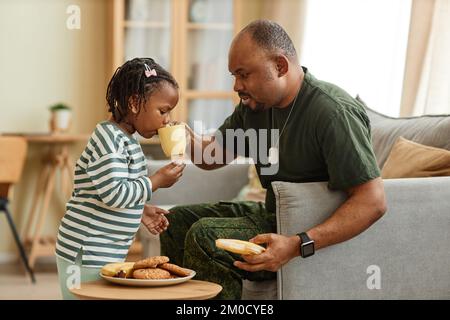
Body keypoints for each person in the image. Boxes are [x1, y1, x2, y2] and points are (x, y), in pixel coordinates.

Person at [160, 20, 387, 299]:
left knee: (205, 236)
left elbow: (373, 202)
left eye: (243, 74)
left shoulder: (332, 113)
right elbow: (212, 156)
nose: (236, 86)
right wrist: (182, 134)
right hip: (272, 215)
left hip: (303, 230)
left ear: (280, 66)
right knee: (175, 221)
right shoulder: (255, 107)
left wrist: (296, 244)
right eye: (234, 75)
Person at [55, 57, 185, 299]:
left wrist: (141, 209)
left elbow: (111, 191)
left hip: (104, 249)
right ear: (135, 103)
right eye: (163, 111)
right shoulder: (108, 140)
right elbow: (114, 194)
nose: (167, 119)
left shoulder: (127, 140)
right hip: (86, 249)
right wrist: (155, 181)